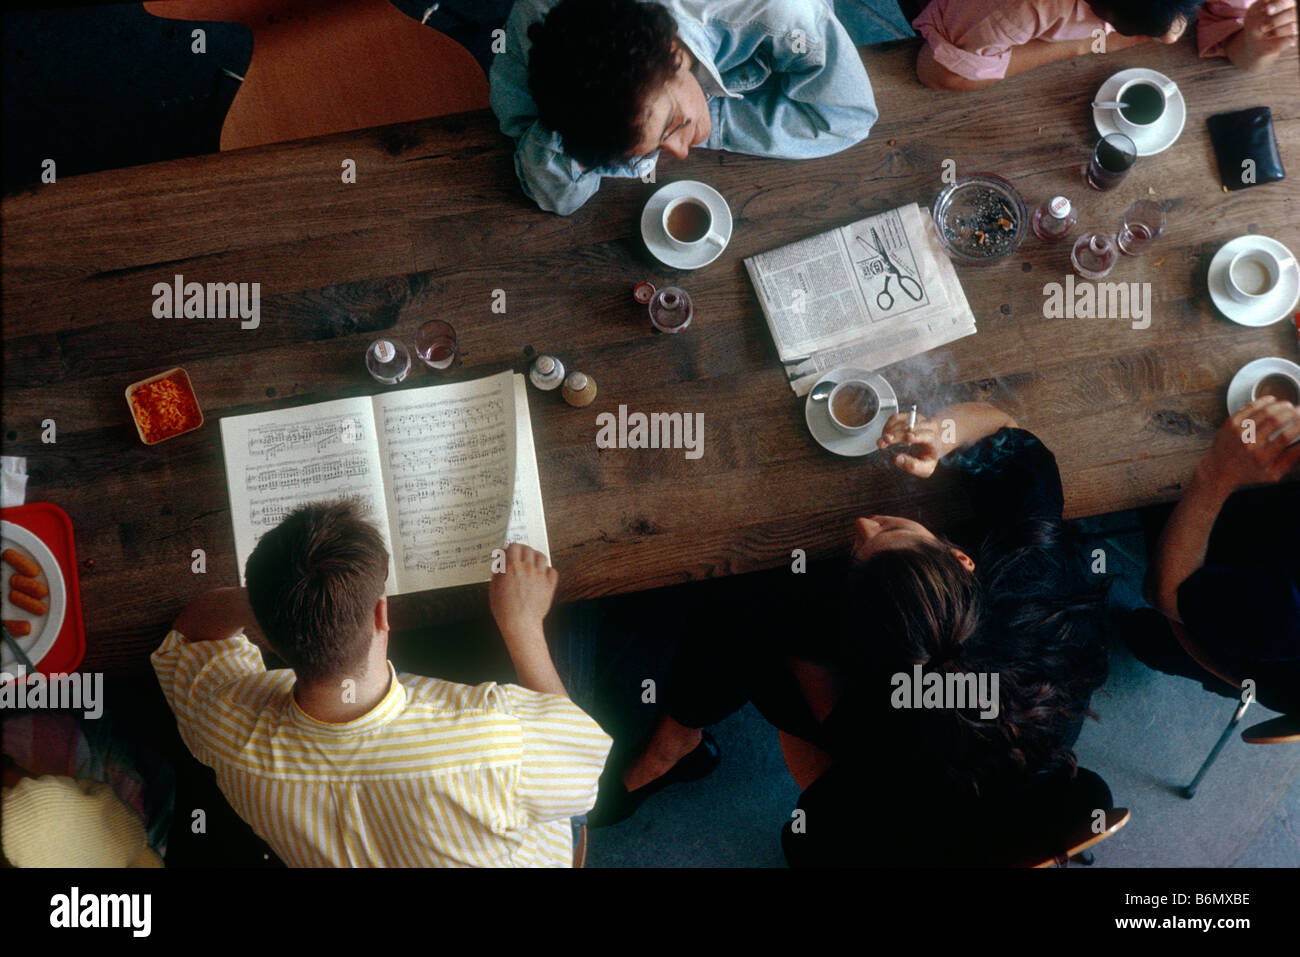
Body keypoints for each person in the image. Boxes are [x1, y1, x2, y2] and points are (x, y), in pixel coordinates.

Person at [595, 403, 1109, 865]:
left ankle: (673, 742)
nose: (863, 523)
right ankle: (677, 738)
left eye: (877, 536)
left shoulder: (876, 754)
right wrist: (942, 435)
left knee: (746, 613)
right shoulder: (1035, 580)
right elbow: (1006, 430)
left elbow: (823, 780)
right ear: (960, 559)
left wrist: (798, 639)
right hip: (1012, 775)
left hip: (903, 823)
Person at [151, 501, 611, 867]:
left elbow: (190, 635)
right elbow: (583, 767)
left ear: (266, 638)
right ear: (381, 613)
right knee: (576, 619)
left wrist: (279, 607)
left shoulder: (227, 730)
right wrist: (523, 624)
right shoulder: (494, 741)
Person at [490, 0, 880, 214]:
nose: (680, 153)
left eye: (672, 125)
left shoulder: (782, 13)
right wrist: (575, 123)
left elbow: (847, 118)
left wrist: (718, 120)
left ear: (674, 54)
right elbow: (553, 193)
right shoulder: (534, 19)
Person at [1128, 397, 1300, 714]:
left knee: (1154, 639)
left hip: (1211, 575)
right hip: (1253, 627)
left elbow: (1165, 592)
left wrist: (1217, 475)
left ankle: (1143, 642)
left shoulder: (1283, 615)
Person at [906, 0, 1294, 90]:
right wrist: (1087, 45)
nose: (1173, 40)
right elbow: (938, 71)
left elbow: (1238, 52)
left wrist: (1260, 43)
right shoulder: (1017, 6)